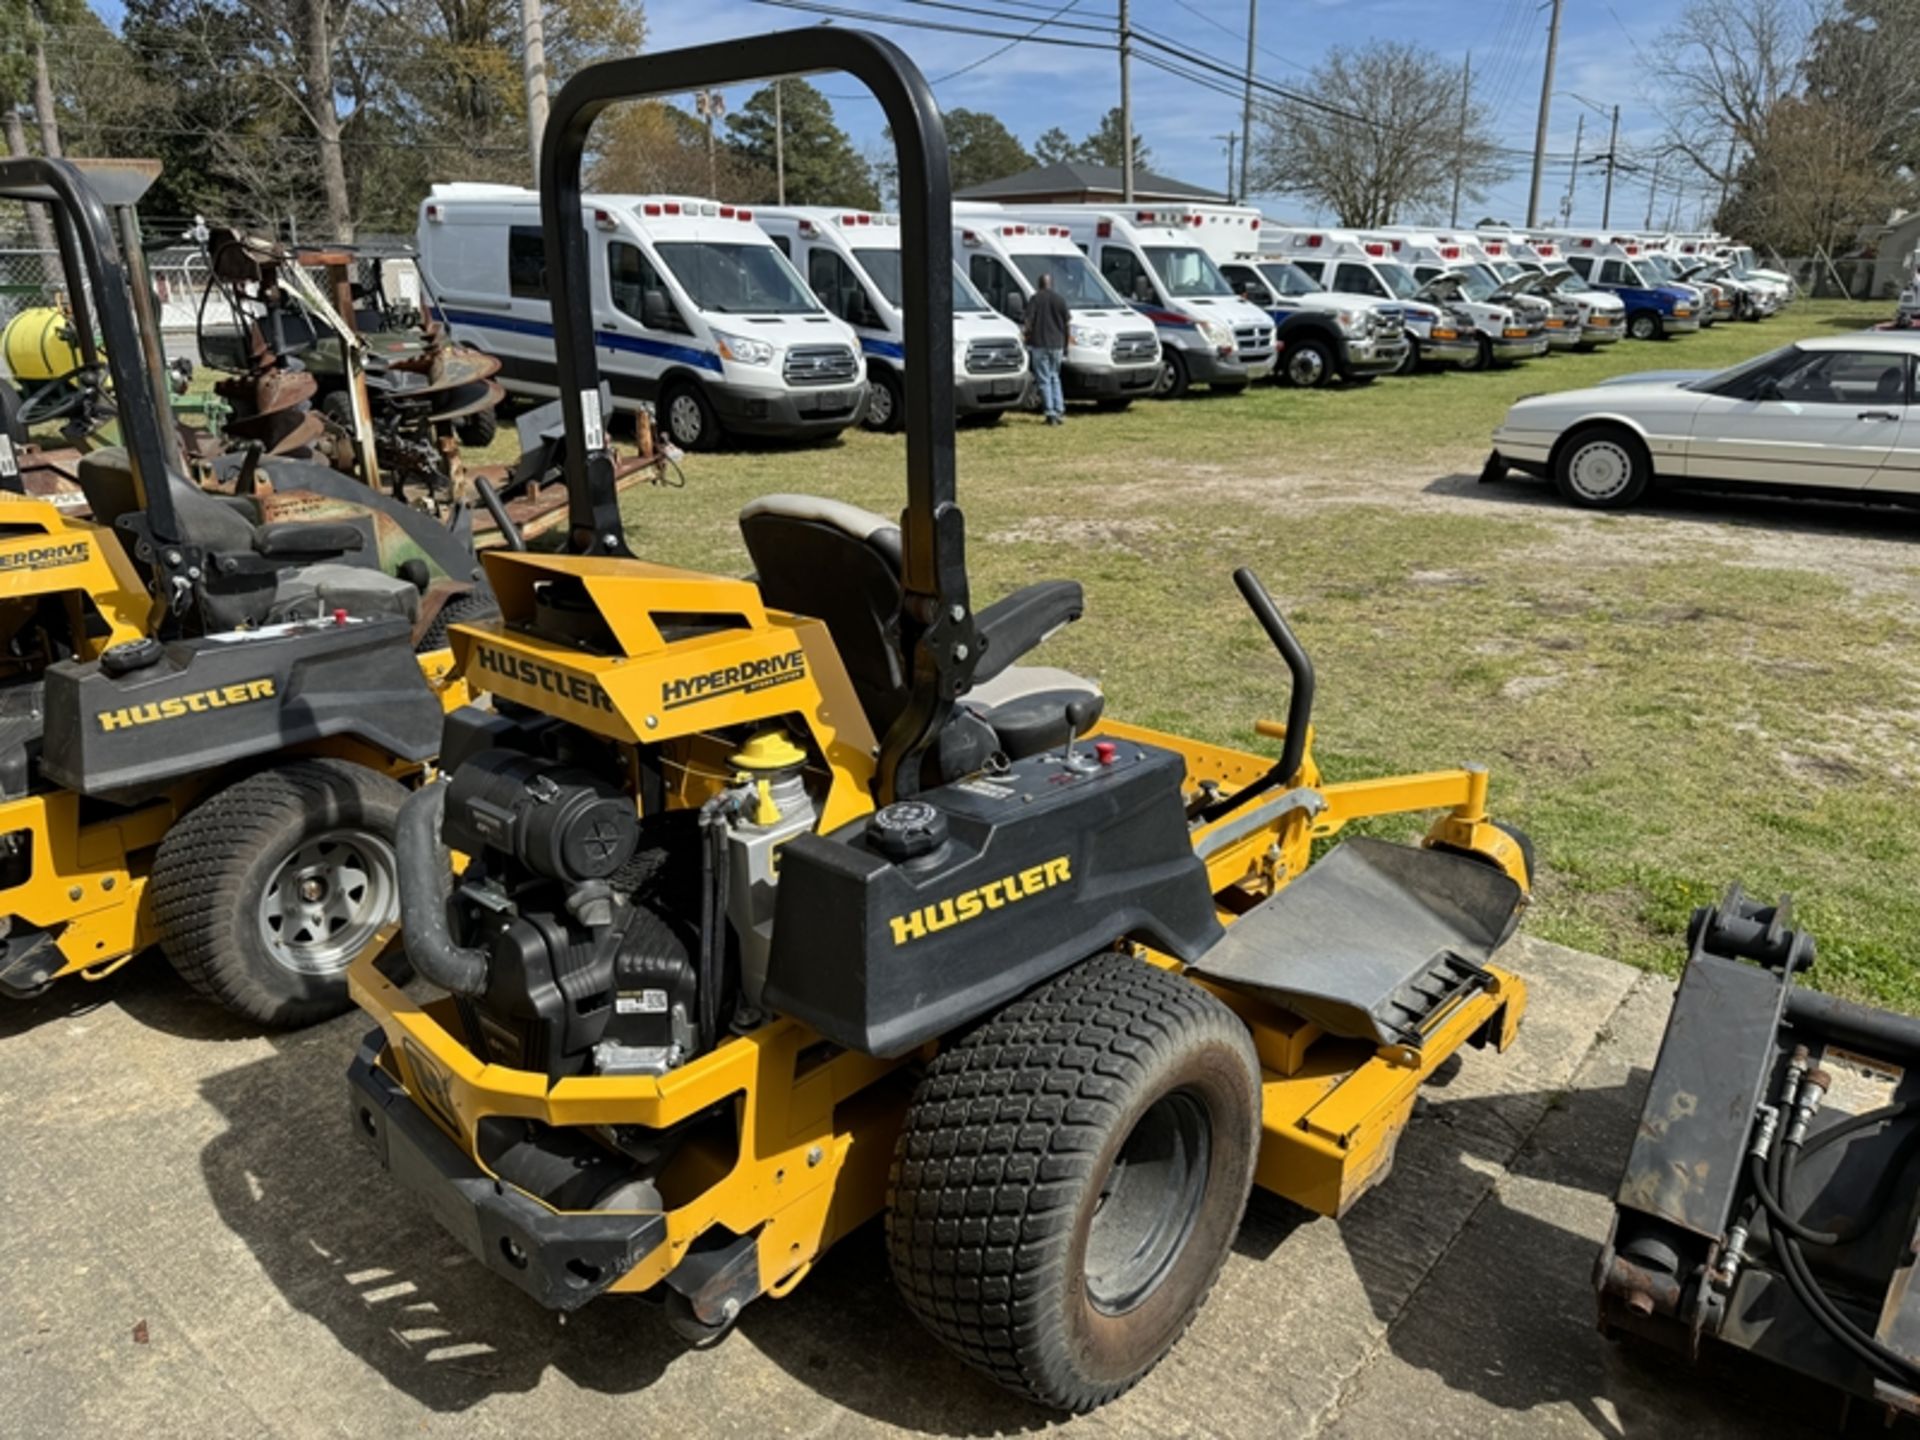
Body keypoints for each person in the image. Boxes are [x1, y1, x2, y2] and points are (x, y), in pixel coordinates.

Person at [1022, 270, 1071, 426]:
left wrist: (1025, 336)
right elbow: (1067, 324)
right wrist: (1066, 344)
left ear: (1039, 284)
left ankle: (1050, 413)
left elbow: (1029, 321)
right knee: (1055, 377)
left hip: (1040, 344)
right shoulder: (1060, 300)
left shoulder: (1035, 299)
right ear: (1051, 284)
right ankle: (1059, 409)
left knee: (1043, 379)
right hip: (1057, 344)